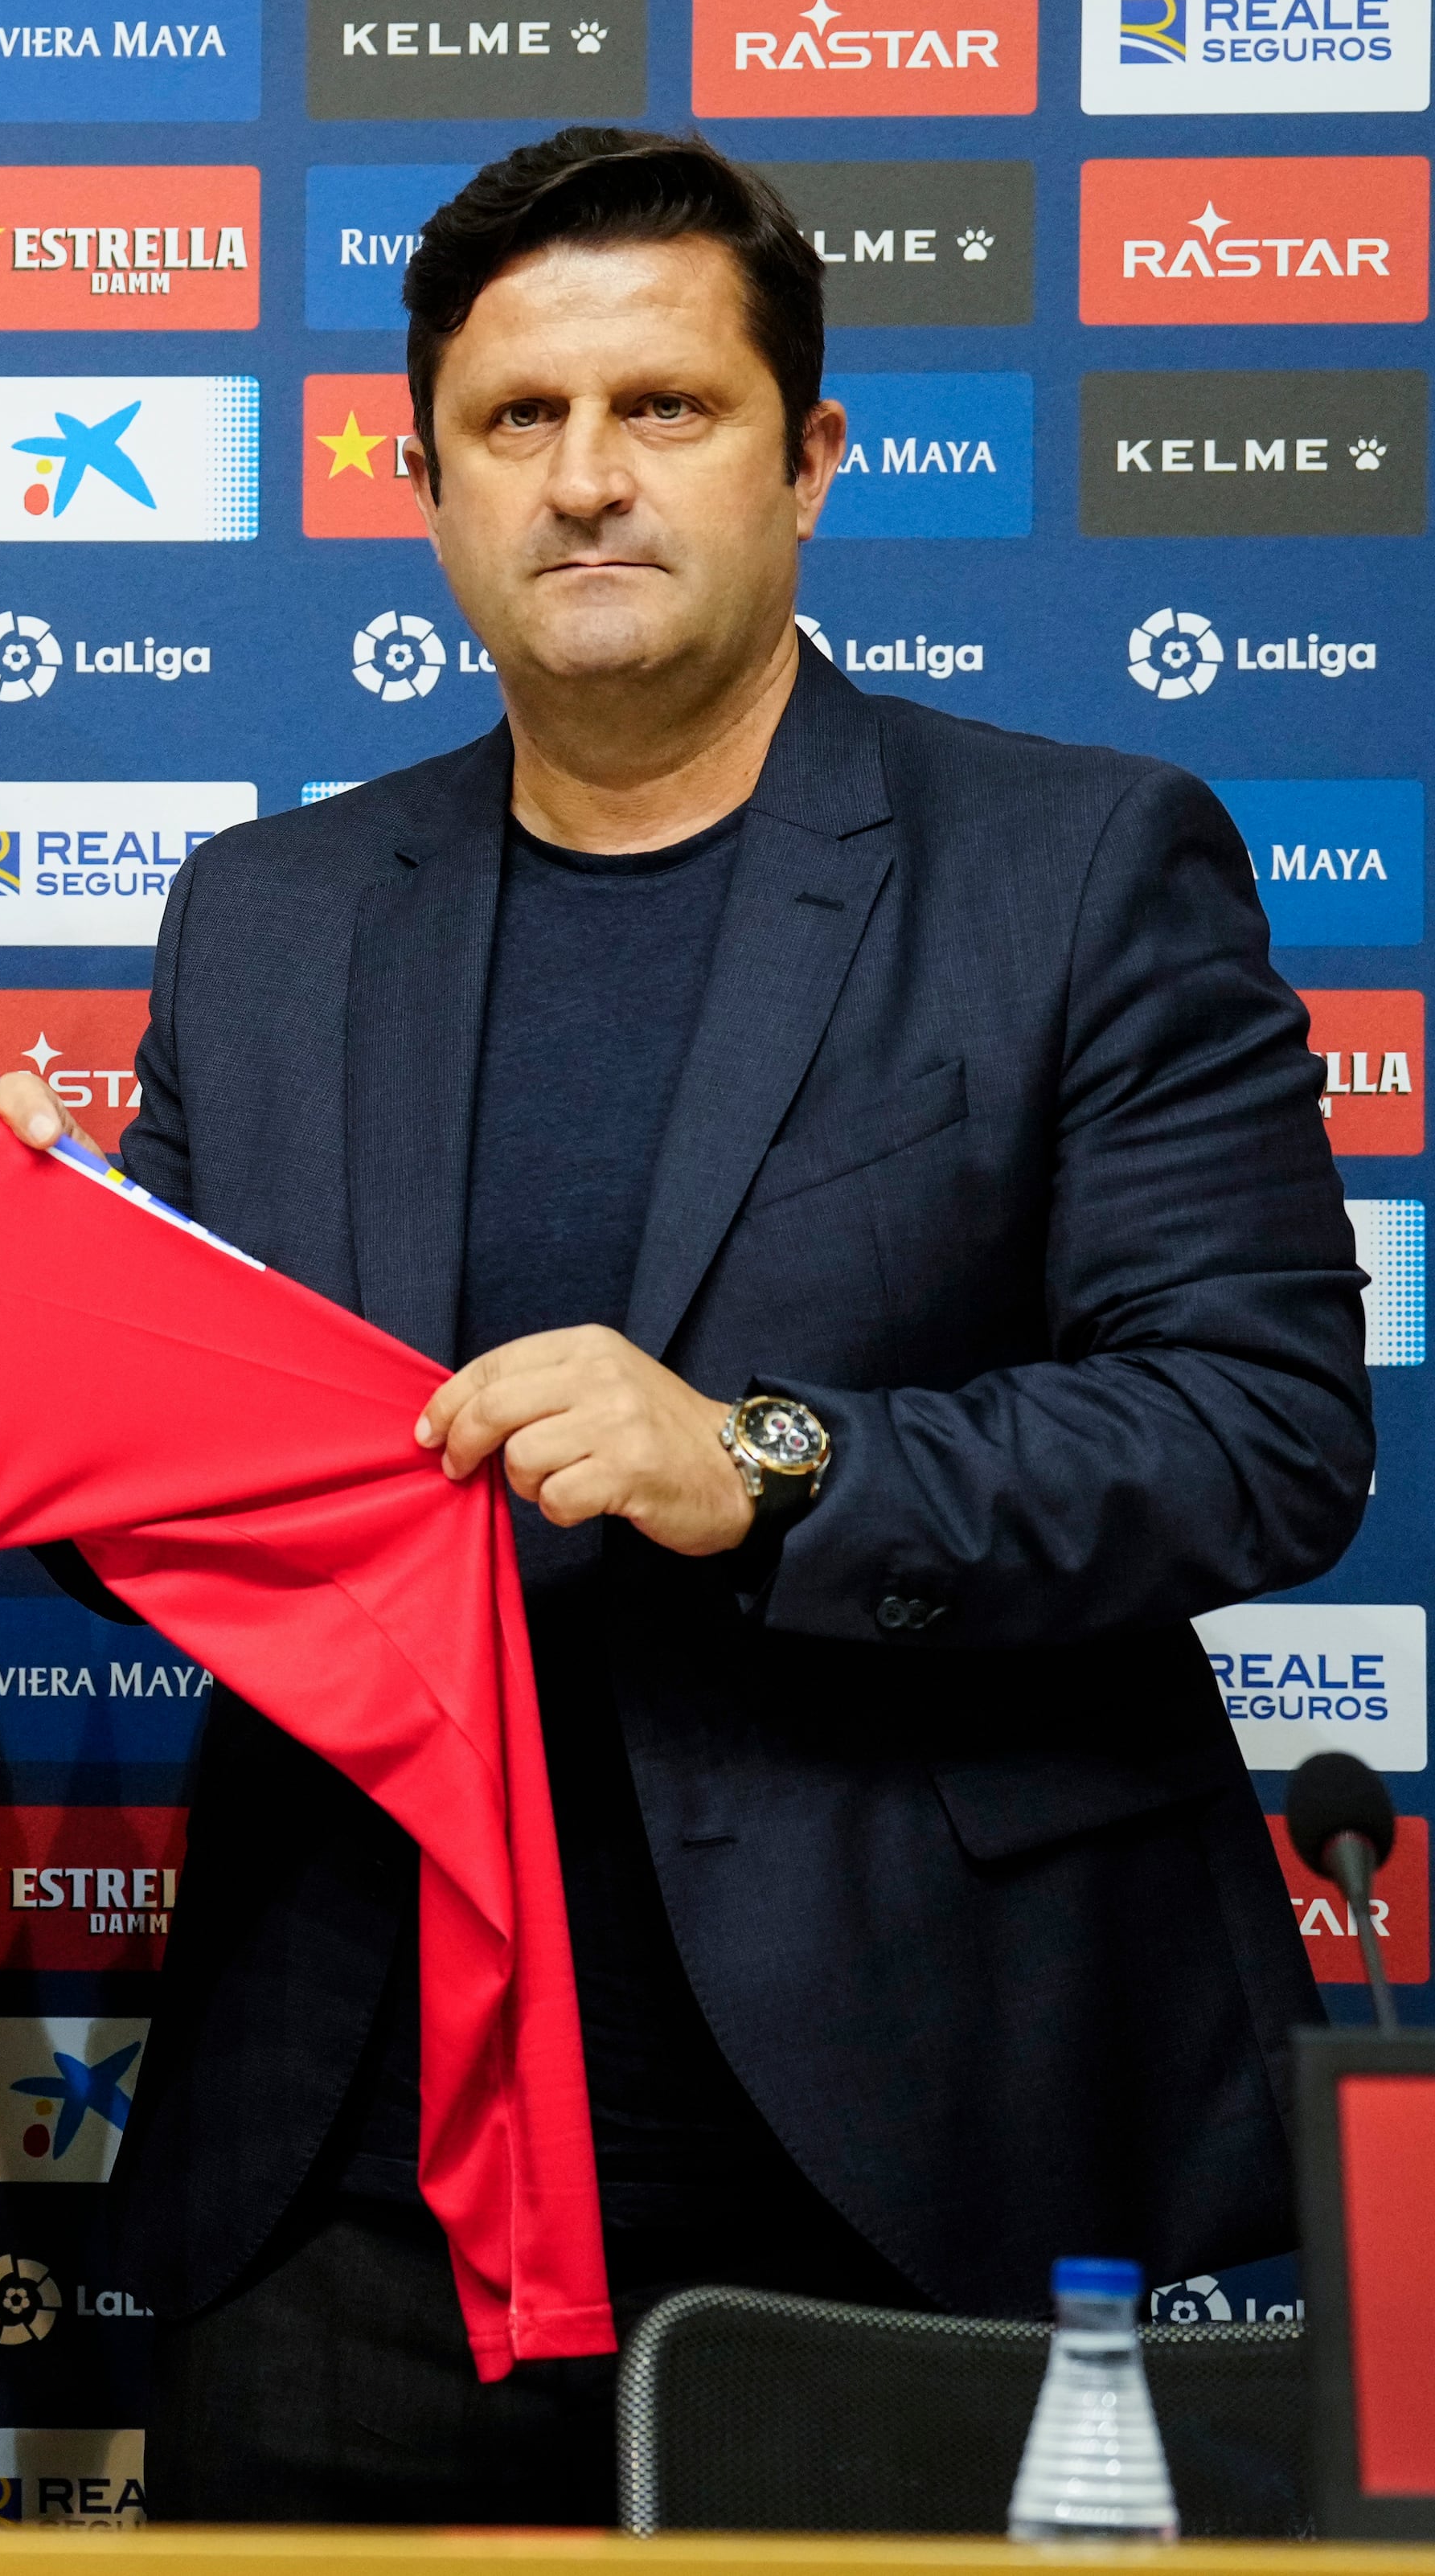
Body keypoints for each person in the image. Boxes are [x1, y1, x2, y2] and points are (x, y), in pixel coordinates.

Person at [87, 130, 1365, 2524]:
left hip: (927, 2162)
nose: (587, 481)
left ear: (811, 460)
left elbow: (1260, 1423)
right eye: (515, 422)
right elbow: (137, 1449)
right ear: (424, 480)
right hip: (358, 2176)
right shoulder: (265, 913)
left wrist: (770, 1457)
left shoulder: (1078, 863)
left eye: (664, 408)